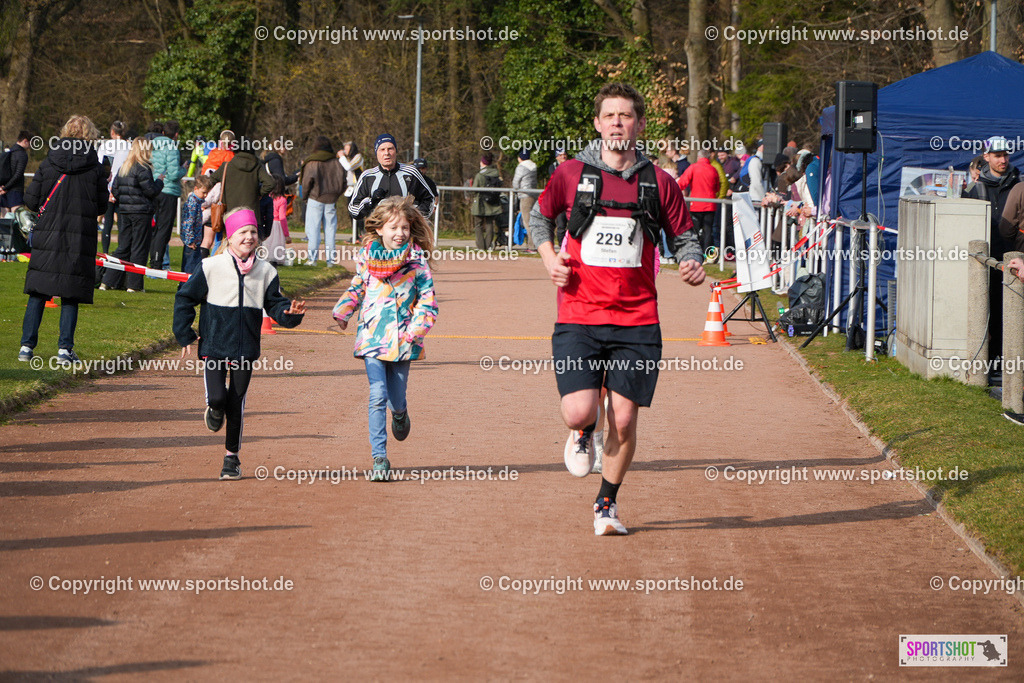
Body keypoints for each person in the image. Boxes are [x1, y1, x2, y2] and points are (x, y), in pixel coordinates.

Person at [529, 83, 705, 536]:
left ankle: (606, 504)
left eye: (626, 116)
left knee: (624, 419)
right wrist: (551, 261)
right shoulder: (570, 174)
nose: (617, 123)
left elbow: (684, 234)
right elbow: (539, 217)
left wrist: (690, 260)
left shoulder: (659, 182)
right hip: (579, 314)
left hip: (637, 318)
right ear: (597, 123)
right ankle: (583, 430)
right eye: (610, 116)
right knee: (577, 410)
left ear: (639, 124)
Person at [174, 207, 306, 480]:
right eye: (243, 232)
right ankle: (214, 406)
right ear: (230, 237)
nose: (249, 237)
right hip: (214, 347)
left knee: (237, 402)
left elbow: (276, 304)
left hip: (245, 350)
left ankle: (231, 458)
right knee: (220, 398)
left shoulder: (266, 271)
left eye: (253, 232)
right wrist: (184, 333)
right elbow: (185, 297)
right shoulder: (211, 266)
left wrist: (290, 315)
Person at [332, 196, 437, 481]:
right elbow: (358, 286)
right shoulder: (367, 257)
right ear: (379, 229)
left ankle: (400, 413)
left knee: (396, 398)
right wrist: (343, 311)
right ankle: (379, 458)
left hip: (404, 340)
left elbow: (428, 301)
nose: (399, 233)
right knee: (377, 394)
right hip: (373, 336)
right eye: (393, 227)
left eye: (404, 227)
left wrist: (415, 332)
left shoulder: (417, 261)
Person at [18, 115, 108, 365]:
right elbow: (102, 205)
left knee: (38, 291)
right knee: (70, 294)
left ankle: (27, 346)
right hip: (78, 236)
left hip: (48, 232)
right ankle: (64, 349)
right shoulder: (95, 168)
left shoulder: (48, 163)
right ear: (89, 135)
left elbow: (32, 200)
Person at [967, 135, 1019, 381]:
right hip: (982, 259)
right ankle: (983, 366)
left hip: (1013, 258)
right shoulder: (974, 187)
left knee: (1011, 313)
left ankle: (1007, 367)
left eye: (1005, 155)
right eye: (997, 155)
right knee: (983, 311)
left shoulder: (1018, 183)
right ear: (986, 157)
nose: (1003, 160)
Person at [99, 137, 163, 292]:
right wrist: (160, 182)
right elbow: (150, 190)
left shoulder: (123, 167)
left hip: (124, 212)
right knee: (139, 248)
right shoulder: (143, 168)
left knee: (123, 247)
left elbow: (114, 189)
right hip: (141, 213)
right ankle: (133, 285)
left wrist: (124, 201)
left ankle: (108, 281)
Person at [348, 134, 435, 221]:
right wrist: (371, 202)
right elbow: (353, 210)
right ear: (376, 153)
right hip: (378, 232)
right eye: (382, 149)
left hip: (404, 232)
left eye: (390, 149)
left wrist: (413, 218)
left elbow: (429, 199)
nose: (386, 153)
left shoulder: (411, 173)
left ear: (396, 151)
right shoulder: (367, 176)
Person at [210, 136, 275, 232]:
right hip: (251, 215)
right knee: (251, 244)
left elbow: (210, 181)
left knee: (230, 244)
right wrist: (258, 193)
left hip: (230, 214)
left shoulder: (227, 166)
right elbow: (270, 183)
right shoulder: (257, 166)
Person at [299, 136, 347, 265]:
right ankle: (330, 261)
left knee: (313, 230)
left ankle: (312, 259)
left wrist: (305, 197)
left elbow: (306, 182)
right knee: (330, 231)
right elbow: (344, 181)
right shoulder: (336, 162)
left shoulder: (312, 162)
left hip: (315, 198)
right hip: (331, 200)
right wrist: (336, 196)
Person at [149, 120, 184, 270]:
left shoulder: (152, 145)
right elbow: (174, 173)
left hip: (154, 189)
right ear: (176, 134)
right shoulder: (172, 148)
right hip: (168, 191)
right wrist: (183, 169)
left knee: (155, 229)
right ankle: (157, 263)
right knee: (164, 229)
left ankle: (153, 261)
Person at [677, 149, 721, 253]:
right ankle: (706, 253)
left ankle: (694, 252)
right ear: (708, 157)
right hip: (710, 204)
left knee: (694, 230)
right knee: (708, 230)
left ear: (698, 157)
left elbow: (682, 183)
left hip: (696, 204)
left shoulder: (693, 167)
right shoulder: (713, 169)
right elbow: (717, 188)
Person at [99, 121, 129, 255]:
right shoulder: (130, 146)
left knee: (108, 223)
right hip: (124, 187)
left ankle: (105, 253)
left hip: (108, 187)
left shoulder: (105, 145)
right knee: (122, 224)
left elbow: (100, 165)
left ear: (112, 132)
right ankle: (122, 252)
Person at [180, 175, 215, 276]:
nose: (205, 196)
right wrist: (190, 241)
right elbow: (188, 223)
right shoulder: (193, 203)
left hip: (196, 240)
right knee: (190, 268)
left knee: (193, 265)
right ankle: (186, 287)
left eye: (207, 193)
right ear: (196, 188)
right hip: (192, 242)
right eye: (204, 193)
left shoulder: (197, 203)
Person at [471, 152, 502, 250]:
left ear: (483, 162)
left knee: (478, 224)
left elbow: (474, 189)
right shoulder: (496, 174)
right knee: (490, 224)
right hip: (493, 202)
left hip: (480, 203)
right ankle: (488, 245)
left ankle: (481, 246)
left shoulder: (479, 175)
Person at [513, 150, 538, 251]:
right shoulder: (533, 166)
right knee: (533, 221)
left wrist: (515, 191)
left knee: (527, 221)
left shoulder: (521, 167)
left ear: (520, 158)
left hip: (524, 196)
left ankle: (531, 246)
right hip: (533, 194)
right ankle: (533, 244)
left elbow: (516, 182)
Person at [0, 130, 30, 212]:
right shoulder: (22, 155)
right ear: (25, 141)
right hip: (15, 191)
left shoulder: (8, 152)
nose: (30, 146)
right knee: (17, 219)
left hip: (3, 190)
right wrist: (6, 188)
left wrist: (3, 188)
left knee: (4, 220)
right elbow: (18, 174)